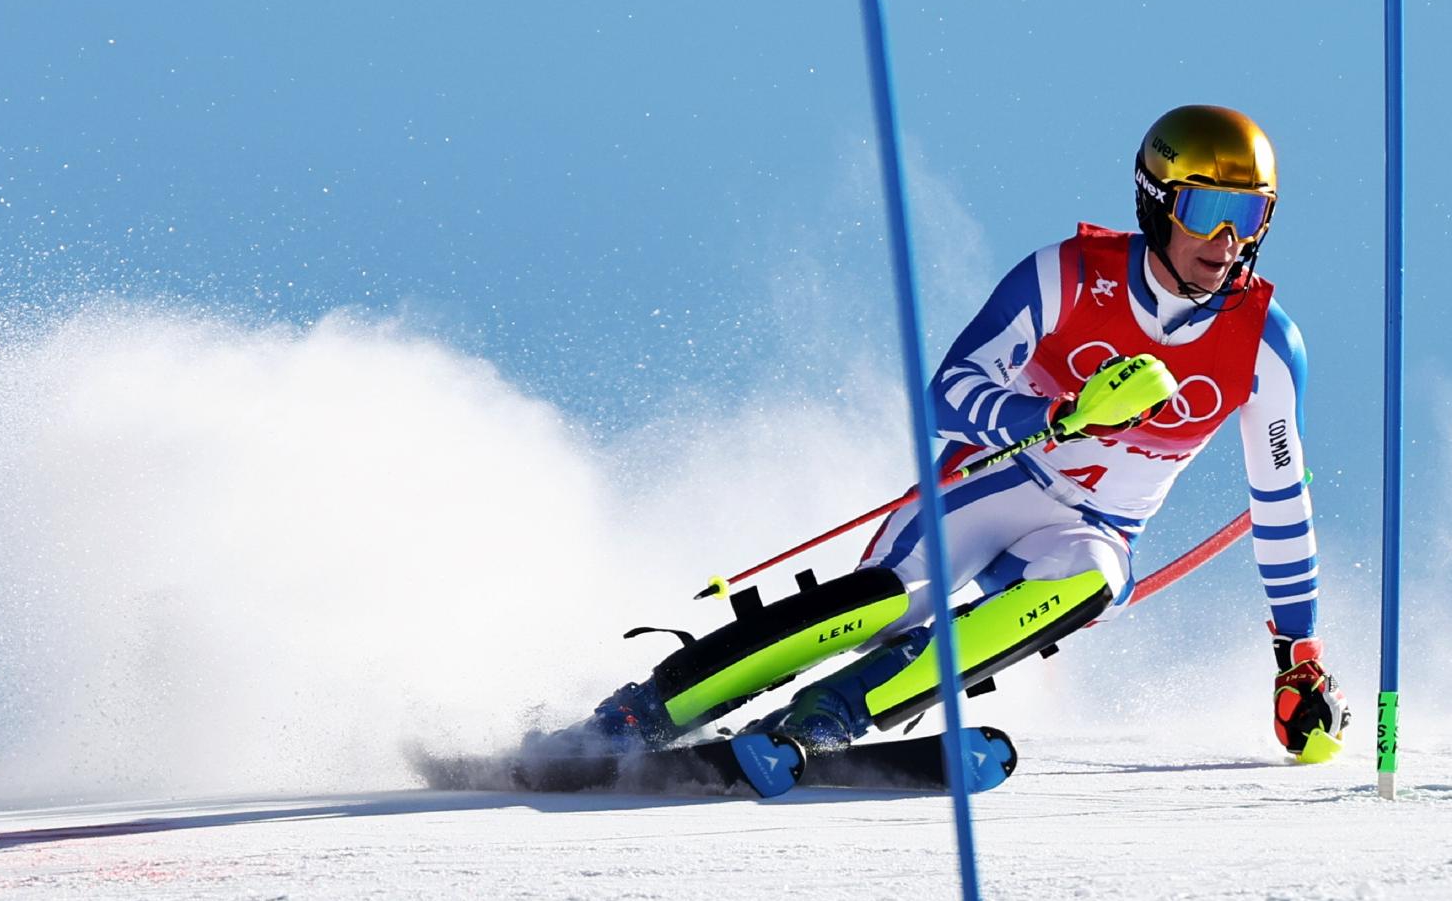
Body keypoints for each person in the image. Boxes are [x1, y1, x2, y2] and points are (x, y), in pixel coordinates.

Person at [568, 104, 1348, 795]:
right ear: (1156, 203)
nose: (1227, 241)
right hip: (994, 482)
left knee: (1095, 581)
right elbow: (947, 393)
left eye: (1249, 215)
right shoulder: (1069, 276)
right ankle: (639, 715)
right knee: (886, 602)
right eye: (1208, 209)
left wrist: (1298, 659)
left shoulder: (1267, 346)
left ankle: (825, 721)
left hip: (1094, 527)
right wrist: (1056, 413)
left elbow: (1279, 507)